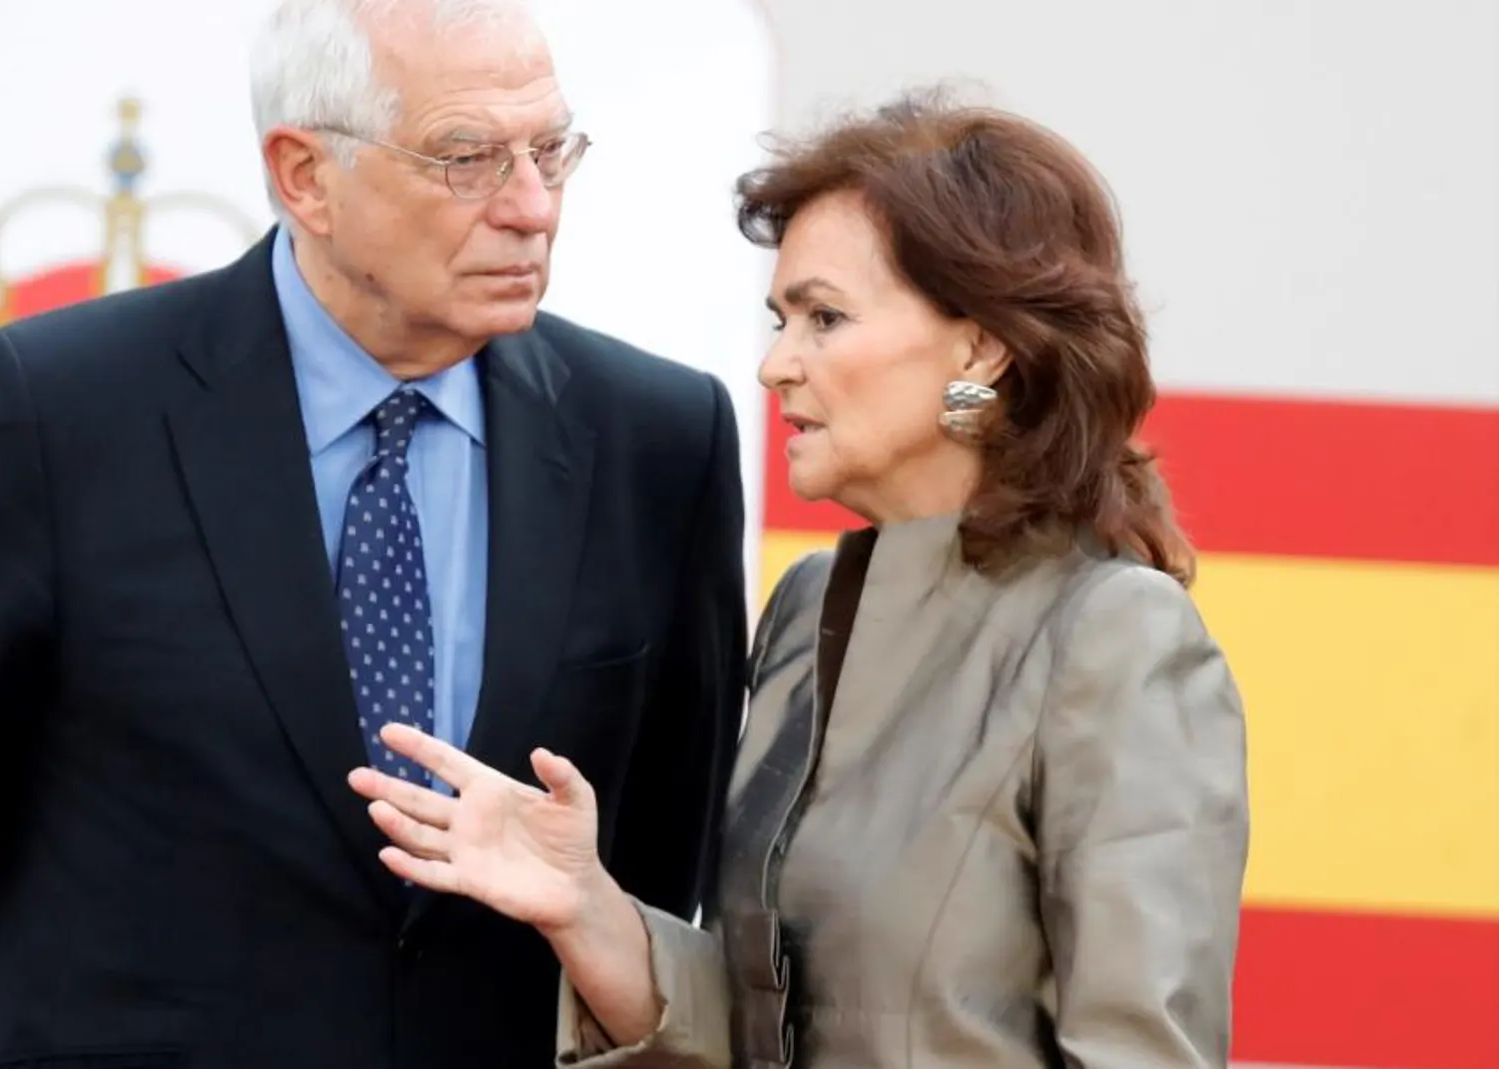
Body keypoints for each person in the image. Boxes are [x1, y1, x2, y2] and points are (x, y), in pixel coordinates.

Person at [0, 1, 748, 1066]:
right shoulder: (59, 414)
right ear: (304, 175)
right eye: (469, 158)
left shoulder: (658, 441)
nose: (532, 206)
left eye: (550, 151)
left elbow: (661, 874)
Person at [348, 87, 1251, 1069]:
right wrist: (585, 903)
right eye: (780, 318)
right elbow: (775, 1028)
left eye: (824, 317)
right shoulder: (809, 609)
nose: (777, 364)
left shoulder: (1115, 639)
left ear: (979, 346)